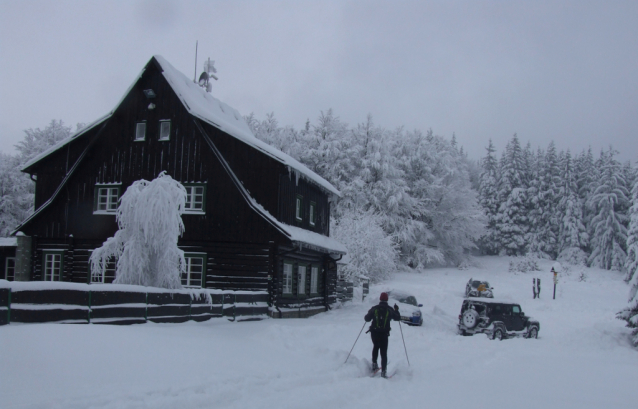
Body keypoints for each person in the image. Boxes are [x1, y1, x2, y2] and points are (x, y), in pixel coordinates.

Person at [364, 292, 401, 378]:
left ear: (380, 299)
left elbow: (366, 319)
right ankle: (384, 372)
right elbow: (397, 318)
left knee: (375, 346)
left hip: (374, 333)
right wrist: (396, 310)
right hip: (384, 334)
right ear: (387, 299)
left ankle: (374, 364)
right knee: (383, 352)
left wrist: (369, 313)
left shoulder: (374, 308)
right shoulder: (390, 309)